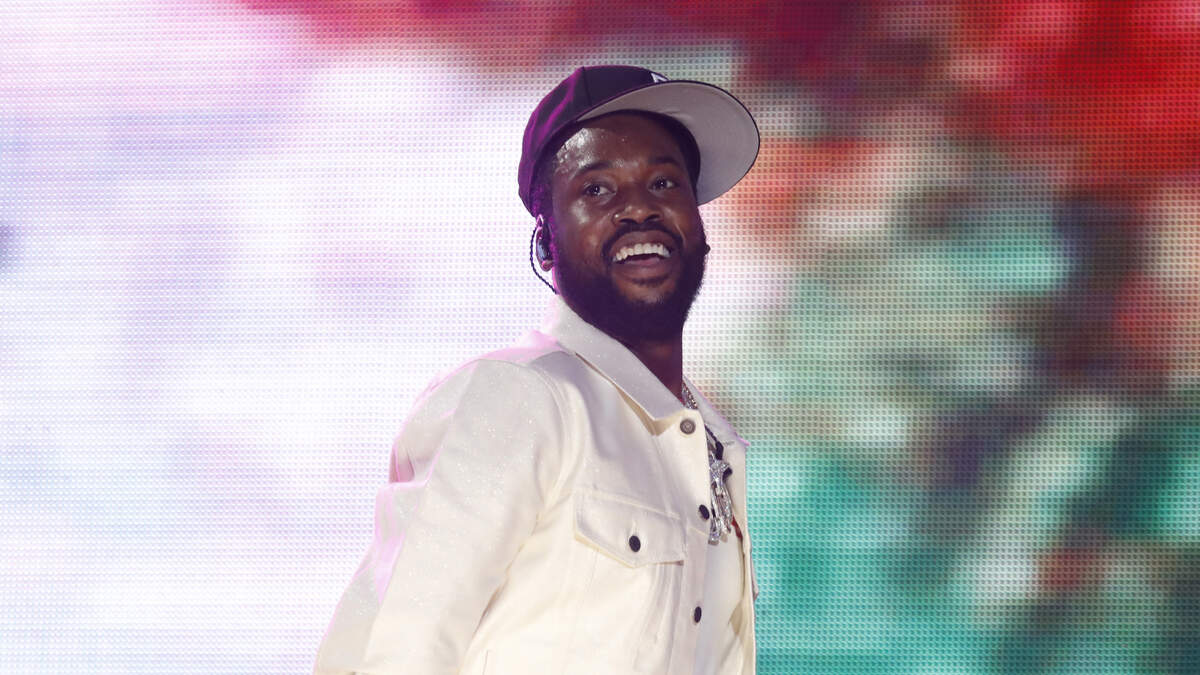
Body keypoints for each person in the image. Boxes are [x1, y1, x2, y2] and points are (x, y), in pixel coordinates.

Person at [314, 65, 761, 675]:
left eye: (664, 182)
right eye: (596, 190)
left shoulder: (714, 445)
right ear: (546, 241)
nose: (639, 208)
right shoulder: (521, 397)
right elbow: (395, 651)